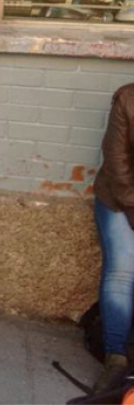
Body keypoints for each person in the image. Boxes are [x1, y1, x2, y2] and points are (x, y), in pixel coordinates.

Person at [93, 84, 134, 391]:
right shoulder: (128, 98)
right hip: (120, 197)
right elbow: (116, 161)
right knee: (122, 271)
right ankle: (115, 356)